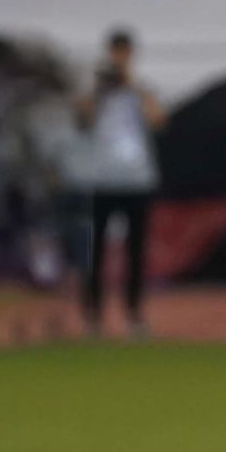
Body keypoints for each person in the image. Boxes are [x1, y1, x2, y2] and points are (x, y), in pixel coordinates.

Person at [74, 29, 168, 338]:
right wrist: (99, 90)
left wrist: (133, 86)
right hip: (102, 179)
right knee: (95, 251)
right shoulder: (97, 90)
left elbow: (158, 121)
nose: (119, 58)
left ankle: (134, 314)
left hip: (137, 180)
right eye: (116, 52)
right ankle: (93, 316)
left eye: (124, 53)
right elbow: (81, 120)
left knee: (135, 252)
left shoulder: (141, 89)